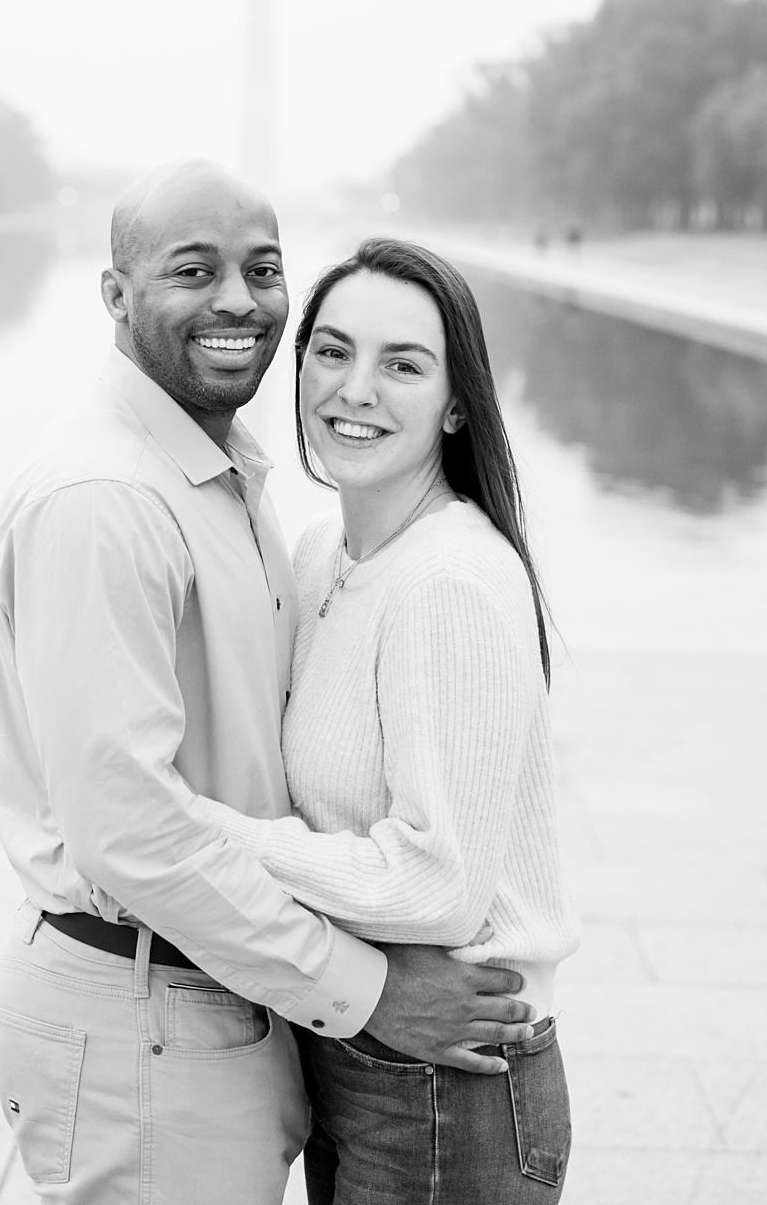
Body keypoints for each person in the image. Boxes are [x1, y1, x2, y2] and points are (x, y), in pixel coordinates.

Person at [0, 164, 536, 1204]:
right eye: (194, 270)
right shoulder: (110, 499)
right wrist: (368, 990)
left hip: (218, 1004)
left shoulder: (235, 483)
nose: (238, 299)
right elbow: (129, 830)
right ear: (116, 295)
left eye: (263, 268)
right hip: (145, 1010)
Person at [187, 238, 579, 1203]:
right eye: (332, 351)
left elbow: (437, 883)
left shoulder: (446, 581)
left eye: (402, 365)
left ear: (455, 403)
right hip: (362, 1046)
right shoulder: (326, 551)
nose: (355, 389)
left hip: (450, 1079)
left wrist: (203, 833)